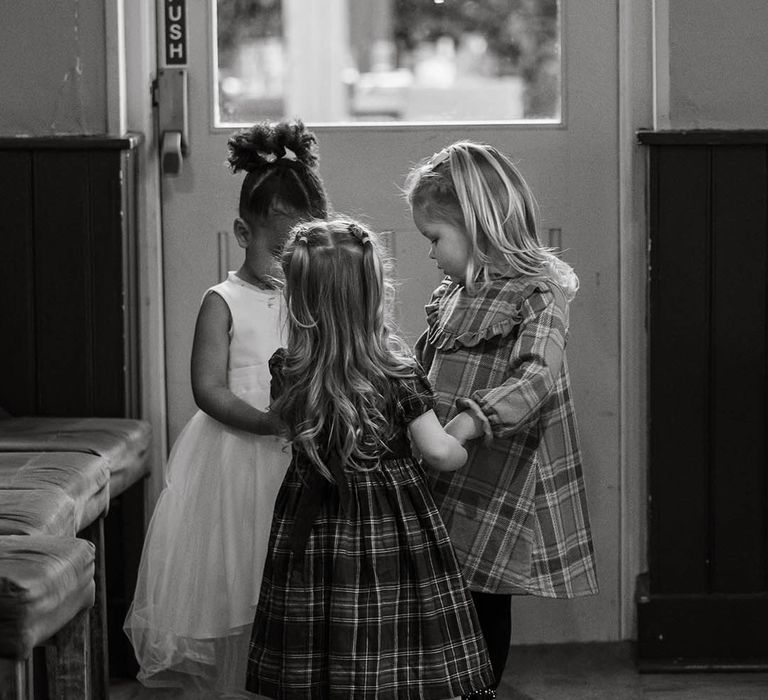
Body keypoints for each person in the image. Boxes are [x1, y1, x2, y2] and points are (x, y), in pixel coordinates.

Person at [246, 218, 495, 700]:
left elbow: (288, 425)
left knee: (323, 618)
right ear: (373, 293)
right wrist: (469, 431)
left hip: (316, 525)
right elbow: (440, 453)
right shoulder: (397, 371)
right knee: (391, 623)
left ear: (299, 301)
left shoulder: (289, 369)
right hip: (390, 528)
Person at [124, 120, 329, 697]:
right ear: (243, 231)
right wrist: (266, 421)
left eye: (301, 253)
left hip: (303, 457)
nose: (288, 265)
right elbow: (209, 389)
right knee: (243, 580)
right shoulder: (224, 301)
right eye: (277, 250)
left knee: (299, 583)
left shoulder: (311, 298)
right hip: (238, 459)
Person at [404, 141, 599, 691]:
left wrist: (467, 424)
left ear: (477, 225)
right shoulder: (453, 294)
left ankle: (479, 687)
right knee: (448, 591)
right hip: (447, 469)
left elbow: (536, 376)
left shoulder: (540, 293)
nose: (430, 252)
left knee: (483, 596)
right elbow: (423, 367)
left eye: (434, 238)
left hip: (498, 476)